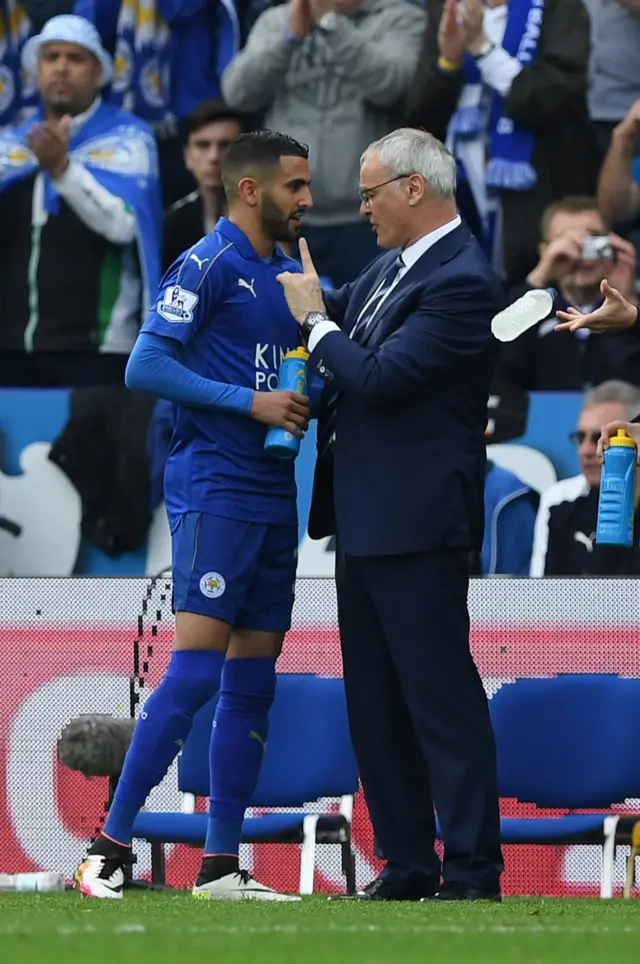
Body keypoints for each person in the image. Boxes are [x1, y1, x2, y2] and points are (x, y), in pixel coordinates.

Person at [74, 130, 313, 901]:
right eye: (296, 187)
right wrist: (251, 402)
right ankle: (110, 847)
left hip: (275, 493)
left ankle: (220, 866)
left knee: (253, 681)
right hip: (216, 488)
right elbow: (146, 363)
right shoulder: (206, 264)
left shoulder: (291, 272)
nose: (308, 200)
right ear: (251, 190)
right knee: (198, 669)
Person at [276, 127, 505, 902]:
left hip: (419, 520)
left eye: (370, 192)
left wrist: (315, 324)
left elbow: (376, 376)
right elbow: (346, 310)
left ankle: (472, 871)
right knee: (374, 705)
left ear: (414, 188)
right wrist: (293, 284)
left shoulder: (464, 280)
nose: (361, 207)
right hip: (366, 515)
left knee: (439, 700)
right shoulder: (394, 265)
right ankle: (407, 863)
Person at [0, 14, 162, 388]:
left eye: (75, 58)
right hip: (11, 347)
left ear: (98, 73)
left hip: (100, 350)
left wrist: (62, 169)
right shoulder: (11, 146)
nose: (61, 68)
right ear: (35, 71)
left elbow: (125, 227)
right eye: (51, 57)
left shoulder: (130, 139)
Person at [221, 0, 425, 287]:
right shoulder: (277, 21)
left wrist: (331, 25)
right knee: (283, 325)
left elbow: (392, 85)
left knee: (366, 327)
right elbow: (237, 93)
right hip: (288, 218)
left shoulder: (401, 18)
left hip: (368, 219)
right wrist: (289, 40)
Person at [495, 196, 640, 390]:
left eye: (593, 240)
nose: (580, 254)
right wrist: (537, 279)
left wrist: (629, 305)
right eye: (566, 242)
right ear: (545, 251)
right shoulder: (535, 312)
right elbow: (501, 370)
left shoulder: (634, 308)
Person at [530, 380, 640, 576]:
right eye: (581, 438)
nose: (586, 451)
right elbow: (543, 595)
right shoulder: (559, 501)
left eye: (600, 438)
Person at [162, 101, 247, 272]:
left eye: (225, 145)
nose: (214, 157)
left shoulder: (269, 220)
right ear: (188, 156)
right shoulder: (173, 224)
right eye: (203, 145)